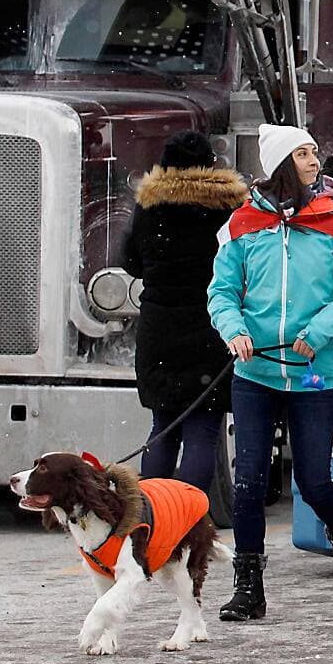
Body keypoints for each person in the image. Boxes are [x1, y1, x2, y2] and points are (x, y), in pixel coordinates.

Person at [207, 123, 333, 616]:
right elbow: (221, 292)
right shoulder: (241, 224)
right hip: (255, 373)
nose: (313, 160)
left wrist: (320, 332)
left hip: (315, 372)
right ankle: (248, 588)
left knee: (313, 480)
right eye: (302, 153)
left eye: (312, 151)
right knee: (249, 482)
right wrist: (233, 329)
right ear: (280, 164)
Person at [121, 131, 250, 495]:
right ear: (211, 163)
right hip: (213, 325)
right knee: (203, 429)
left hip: (159, 330)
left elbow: (131, 261)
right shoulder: (228, 207)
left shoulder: (150, 204)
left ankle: (156, 514)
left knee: (162, 425)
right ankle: (189, 515)